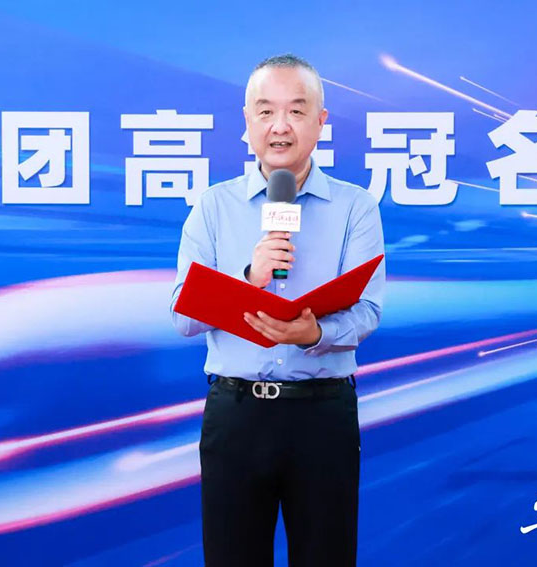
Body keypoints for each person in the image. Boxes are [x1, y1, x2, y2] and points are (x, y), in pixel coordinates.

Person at [170, 53, 385, 567]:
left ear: (320, 121)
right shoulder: (213, 206)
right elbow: (183, 317)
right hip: (237, 414)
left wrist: (315, 334)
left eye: (296, 110)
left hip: (322, 415)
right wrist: (249, 278)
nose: (280, 126)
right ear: (247, 121)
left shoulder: (355, 207)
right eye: (266, 111)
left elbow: (368, 311)